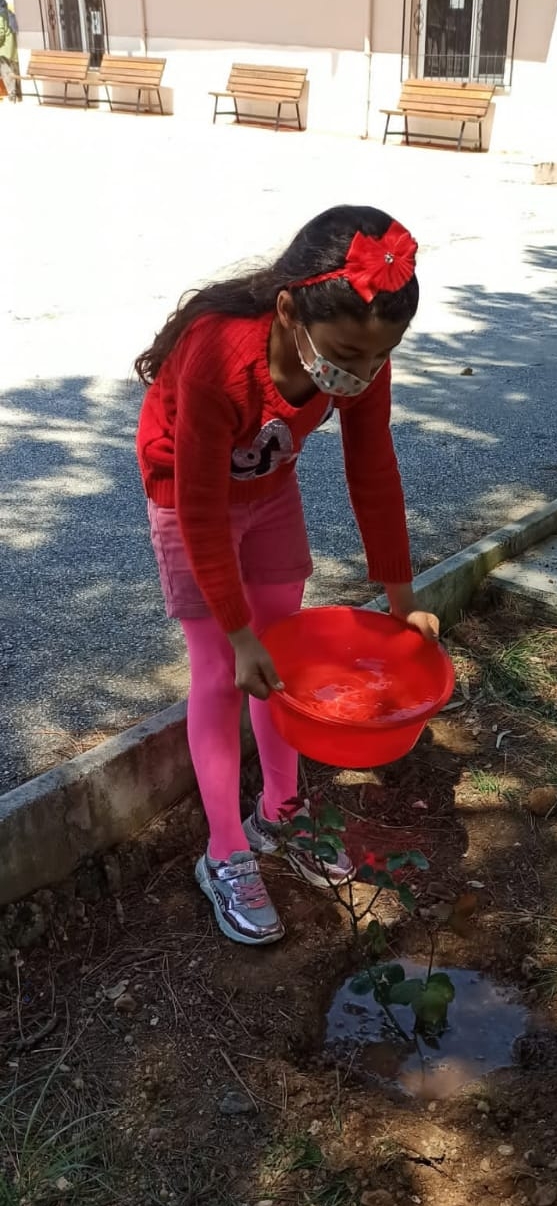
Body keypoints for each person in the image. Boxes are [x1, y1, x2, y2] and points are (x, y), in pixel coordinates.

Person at [135, 204, 438, 948]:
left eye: (377, 358)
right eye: (344, 355)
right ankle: (225, 853)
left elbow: (373, 469)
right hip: (190, 500)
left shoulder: (360, 351)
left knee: (286, 661)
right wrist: (237, 633)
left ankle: (281, 813)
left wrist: (401, 601)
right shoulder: (216, 356)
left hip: (269, 493)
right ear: (286, 310)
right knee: (222, 670)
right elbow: (202, 507)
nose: (359, 375)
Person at [0, 0, 20, 103]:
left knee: (6, 72)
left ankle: (12, 94)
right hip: (12, 49)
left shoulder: (1, 16)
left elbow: (0, 34)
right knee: (12, 71)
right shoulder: (9, 14)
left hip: (4, 50)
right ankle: (16, 94)